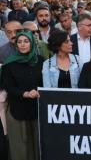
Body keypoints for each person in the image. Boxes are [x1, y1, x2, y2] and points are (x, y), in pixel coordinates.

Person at [0, 30, 43, 160]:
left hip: (37, 110)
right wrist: (25, 94)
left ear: (32, 43)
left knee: (38, 145)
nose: (23, 44)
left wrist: (38, 91)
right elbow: (9, 88)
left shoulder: (41, 61)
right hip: (17, 111)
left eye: (26, 41)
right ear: (16, 45)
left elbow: (46, 82)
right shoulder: (9, 64)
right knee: (20, 148)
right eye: (19, 42)